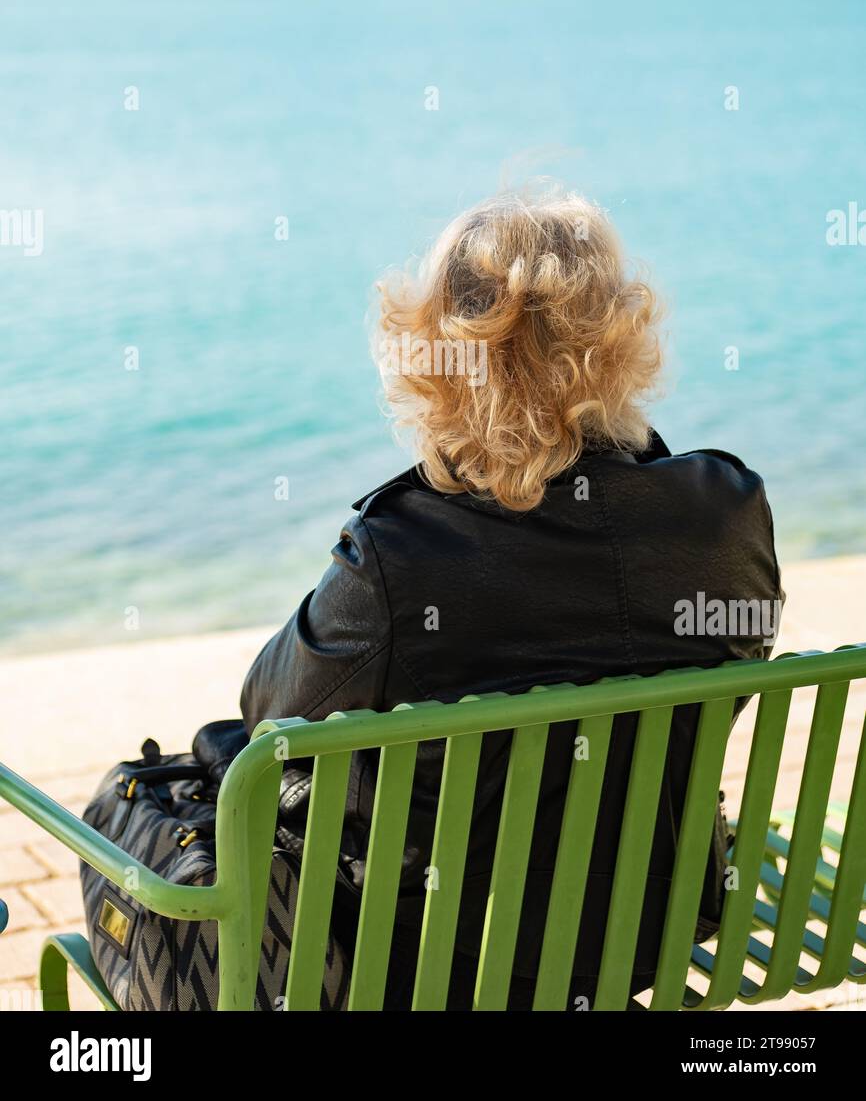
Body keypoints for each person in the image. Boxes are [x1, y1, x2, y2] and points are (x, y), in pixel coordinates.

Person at [238, 184, 784, 1009]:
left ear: (439, 352)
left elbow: (269, 714)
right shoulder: (727, 512)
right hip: (652, 921)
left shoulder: (397, 551)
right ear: (621, 334)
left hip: (446, 960)